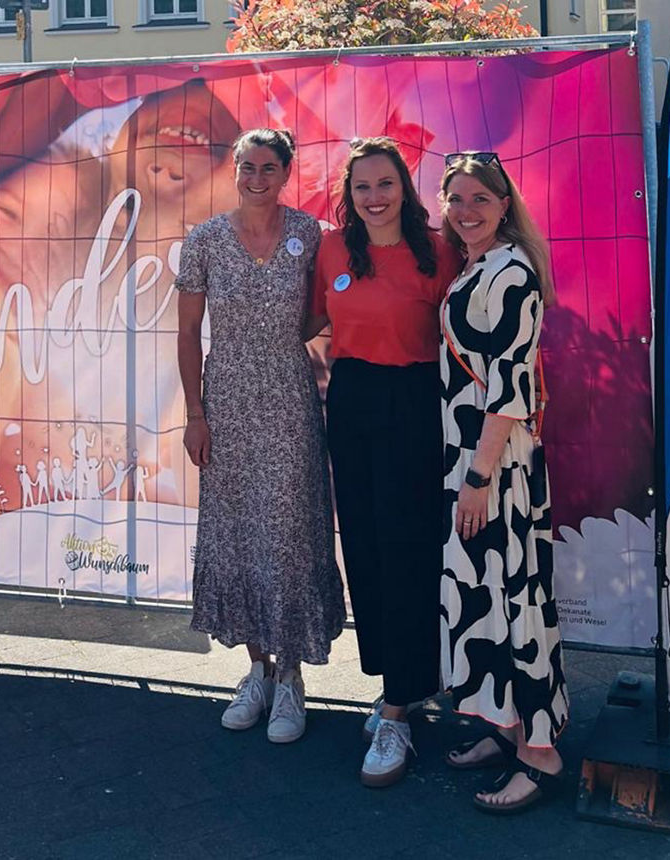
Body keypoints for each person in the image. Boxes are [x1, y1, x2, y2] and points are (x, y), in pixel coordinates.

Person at [175, 128, 345, 744]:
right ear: (234, 169)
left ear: (285, 171)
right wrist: (196, 413)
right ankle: (257, 669)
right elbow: (188, 333)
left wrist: (292, 331)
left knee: (291, 534)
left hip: (291, 402)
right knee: (237, 530)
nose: (256, 177)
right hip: (226, 404)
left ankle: (293, 676)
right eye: (246, 165)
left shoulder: (310, 236)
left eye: (268, 167)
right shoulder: (205, 241)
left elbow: (327, 305)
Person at [305, 137, 461, 787]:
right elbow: (312, 322)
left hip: (417, 404)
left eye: (385, 183)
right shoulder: (333, 250)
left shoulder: (441, 251)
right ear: (350, 195)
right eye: (363, 186)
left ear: (405, 187)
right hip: (352, 402)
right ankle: (398, 682)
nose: (374, 197)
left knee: (408, 550)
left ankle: (400, 704)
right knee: (366, 548)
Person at [438, 151, 570, 813]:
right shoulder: (479, 265)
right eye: (456, 199)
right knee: (490, 598)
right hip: (474, 463)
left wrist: (478, 477)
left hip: (495, 467)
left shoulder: (511, 269)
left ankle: (540, 753)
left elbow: (510, 389)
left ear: (503, 203)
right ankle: (507, 723)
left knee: (516, 600)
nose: (466, 211)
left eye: (479, 199)